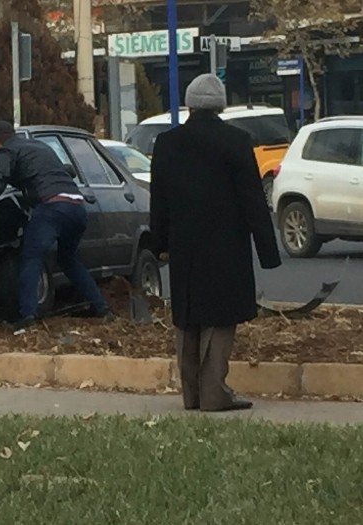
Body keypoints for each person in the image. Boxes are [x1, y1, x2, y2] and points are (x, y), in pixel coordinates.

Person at [150, 74, 282, 412]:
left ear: (190, 104)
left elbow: (159, 201)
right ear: (220, 105)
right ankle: (214, 392)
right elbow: (253, 199)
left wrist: (158, 243)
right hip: (226, 244)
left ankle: (190, 394)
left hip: (184, 246)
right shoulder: (236, 141)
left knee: (187, 316)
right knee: (221, 318)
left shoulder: (167, 143)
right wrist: (268, 251)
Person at [0, 120, 110, 327]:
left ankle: (28, 316)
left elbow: (0, 180)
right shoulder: (40, 146)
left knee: (31, 257)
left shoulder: (6, 151)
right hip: (77, 207)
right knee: (68, 259)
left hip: (52, 208)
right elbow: (61, 171)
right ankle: (101, 307)